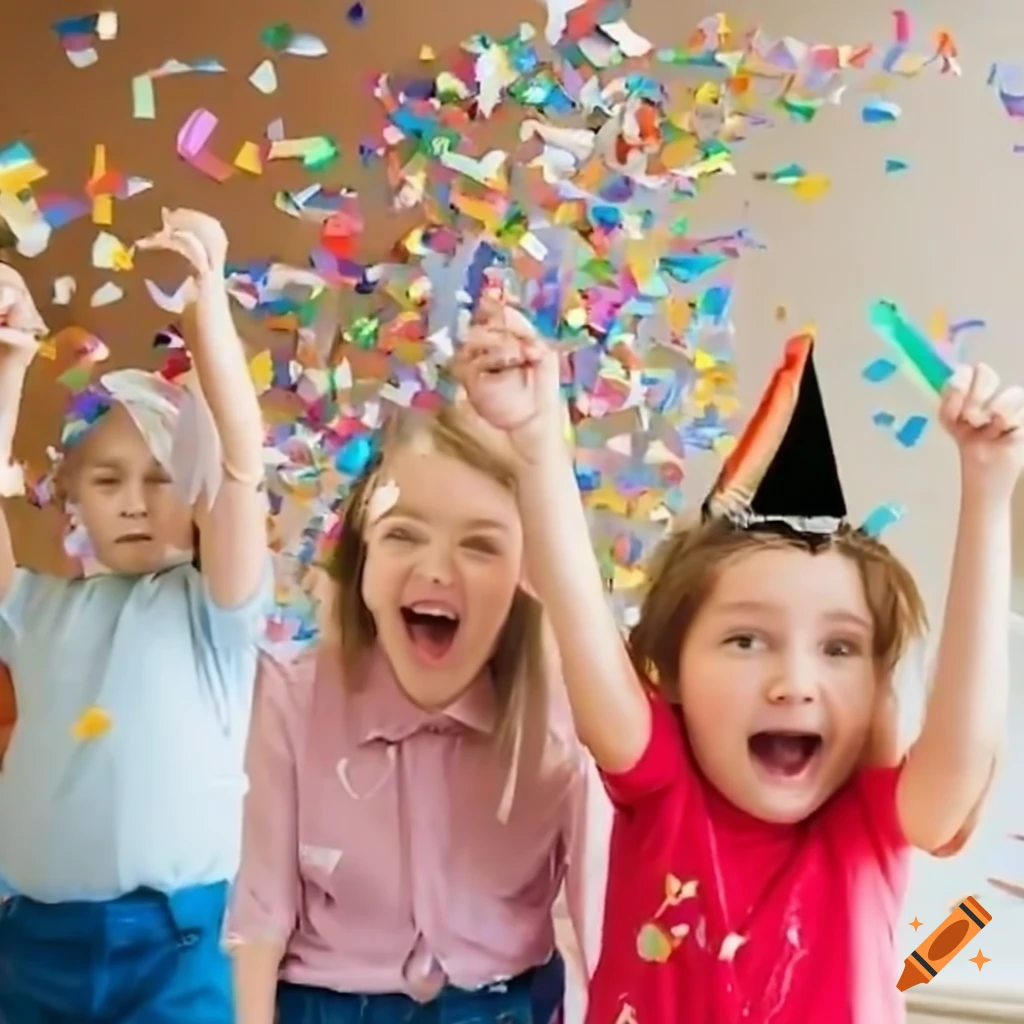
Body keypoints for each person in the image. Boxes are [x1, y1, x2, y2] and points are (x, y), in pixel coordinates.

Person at [455, 295, 1021, 1023]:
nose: (794, 684)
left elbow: (964, 751)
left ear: (880, 686)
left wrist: (988, 488)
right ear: (672, 673)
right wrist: (535, 443)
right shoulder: (662, 785)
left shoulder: (867, 823)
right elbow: (576, 608)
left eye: (840, 647)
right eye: (746, 640)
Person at [229, 405, 592, 1024]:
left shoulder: (568, 720)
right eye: (401, 534)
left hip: (507, 1005)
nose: (434, 569)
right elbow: (260, 911)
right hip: (328, 1003)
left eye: (480, 545)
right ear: (362, 560)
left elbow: (610, 928)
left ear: (527, 578)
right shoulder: (292, 698)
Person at [0, 209, 270, 1024]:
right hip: (31, 949)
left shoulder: (215, 615)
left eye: (160, 477)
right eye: (108, 480)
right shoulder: (36, 606)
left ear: (194, 495)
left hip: (174, 953)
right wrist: (10, 368)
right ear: (74, 496)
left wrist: (209, 311)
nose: (133, 502)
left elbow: (240, 463)